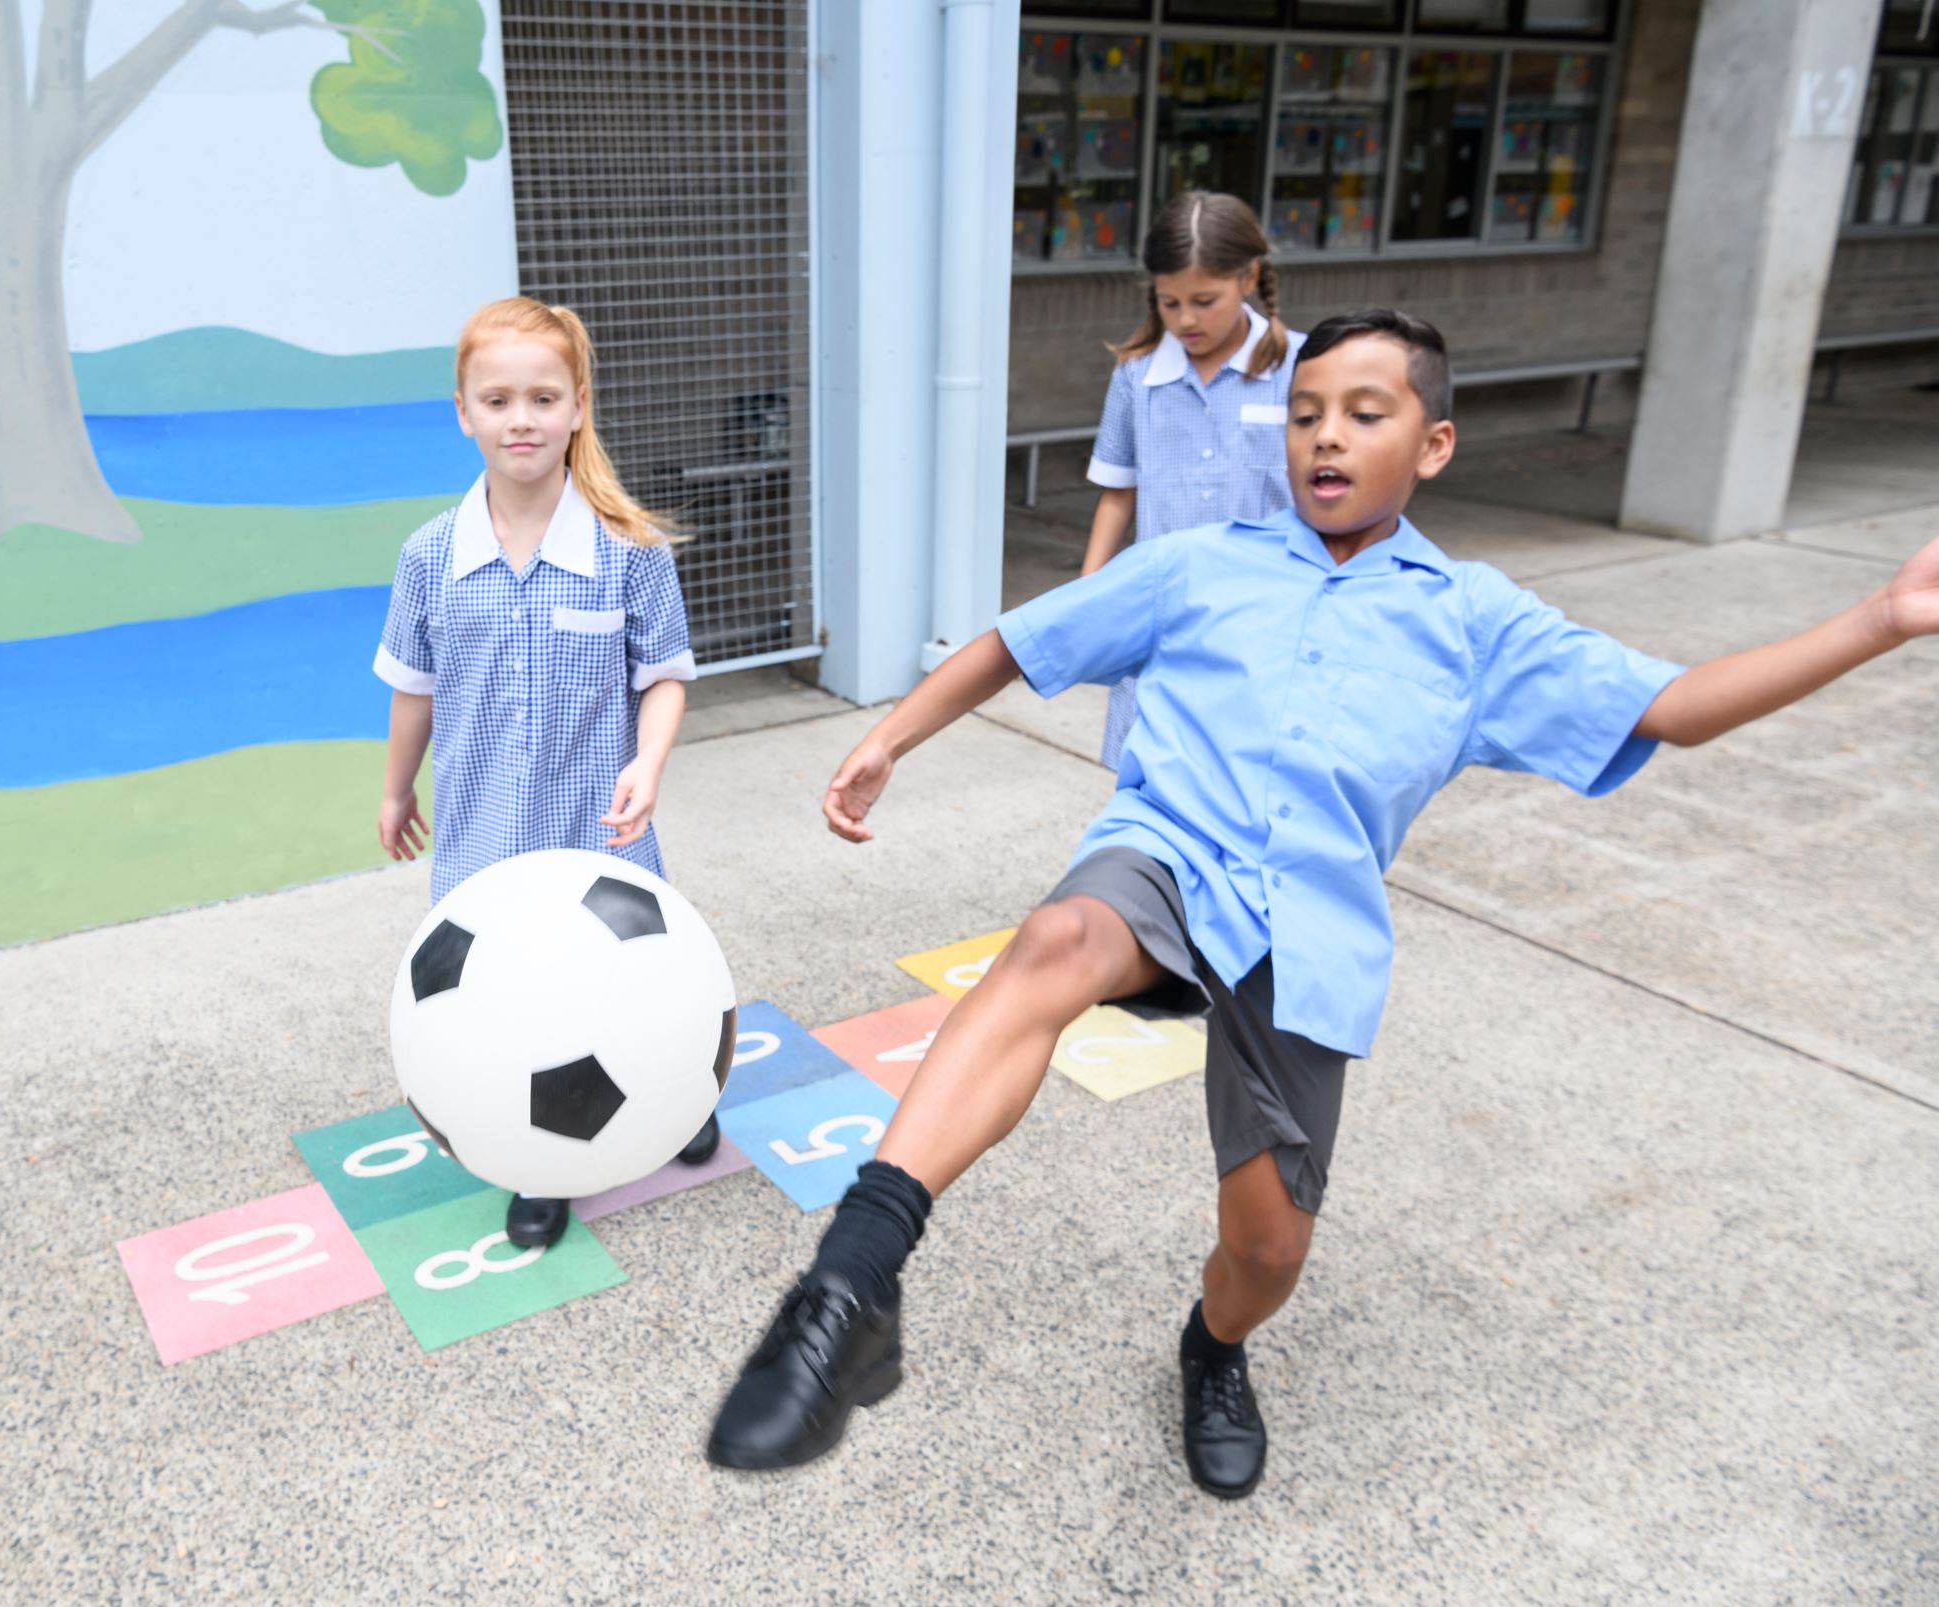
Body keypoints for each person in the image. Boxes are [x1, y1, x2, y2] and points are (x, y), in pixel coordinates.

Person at [703, 308, 1939, 1492]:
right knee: (1054, 941)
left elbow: (1674, 702)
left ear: (1433, 443)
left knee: (1268, 1247)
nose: (1326, 437)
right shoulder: (1202, 566)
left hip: (1309, 933)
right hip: (1166, 855)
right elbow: (1024, 639)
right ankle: (848, 1286)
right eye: (1303, 415)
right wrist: (891, 741)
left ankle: (1215, 1348)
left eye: (1363, 412)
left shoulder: (1476, 623)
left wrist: (1884, 616)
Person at [372, 297, 721, 1250]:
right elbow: (413, 689)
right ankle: (535, 1163)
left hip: (599, 836)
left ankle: (680, 1099)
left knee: (642, 988)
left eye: (540, 396)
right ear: (463, 413)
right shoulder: (429, 559)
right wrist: (398, 788)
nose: (518, 417)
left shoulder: (629, 550)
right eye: (496, 399)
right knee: (508, 1006)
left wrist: (648, 763)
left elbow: (663, 680)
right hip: (484, 841)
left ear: (577, 407)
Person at [1081, 190, 1301, 770]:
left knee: (1251, 774)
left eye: (1205, 301)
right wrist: (1088, 595)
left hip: (1270, 619)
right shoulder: (1136, 377)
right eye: (1169, 301)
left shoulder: (1302, 370)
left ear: (1249, 277)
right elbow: (1118, 492)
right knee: (1152, 775)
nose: (1185, 320)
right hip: (1162, 619)